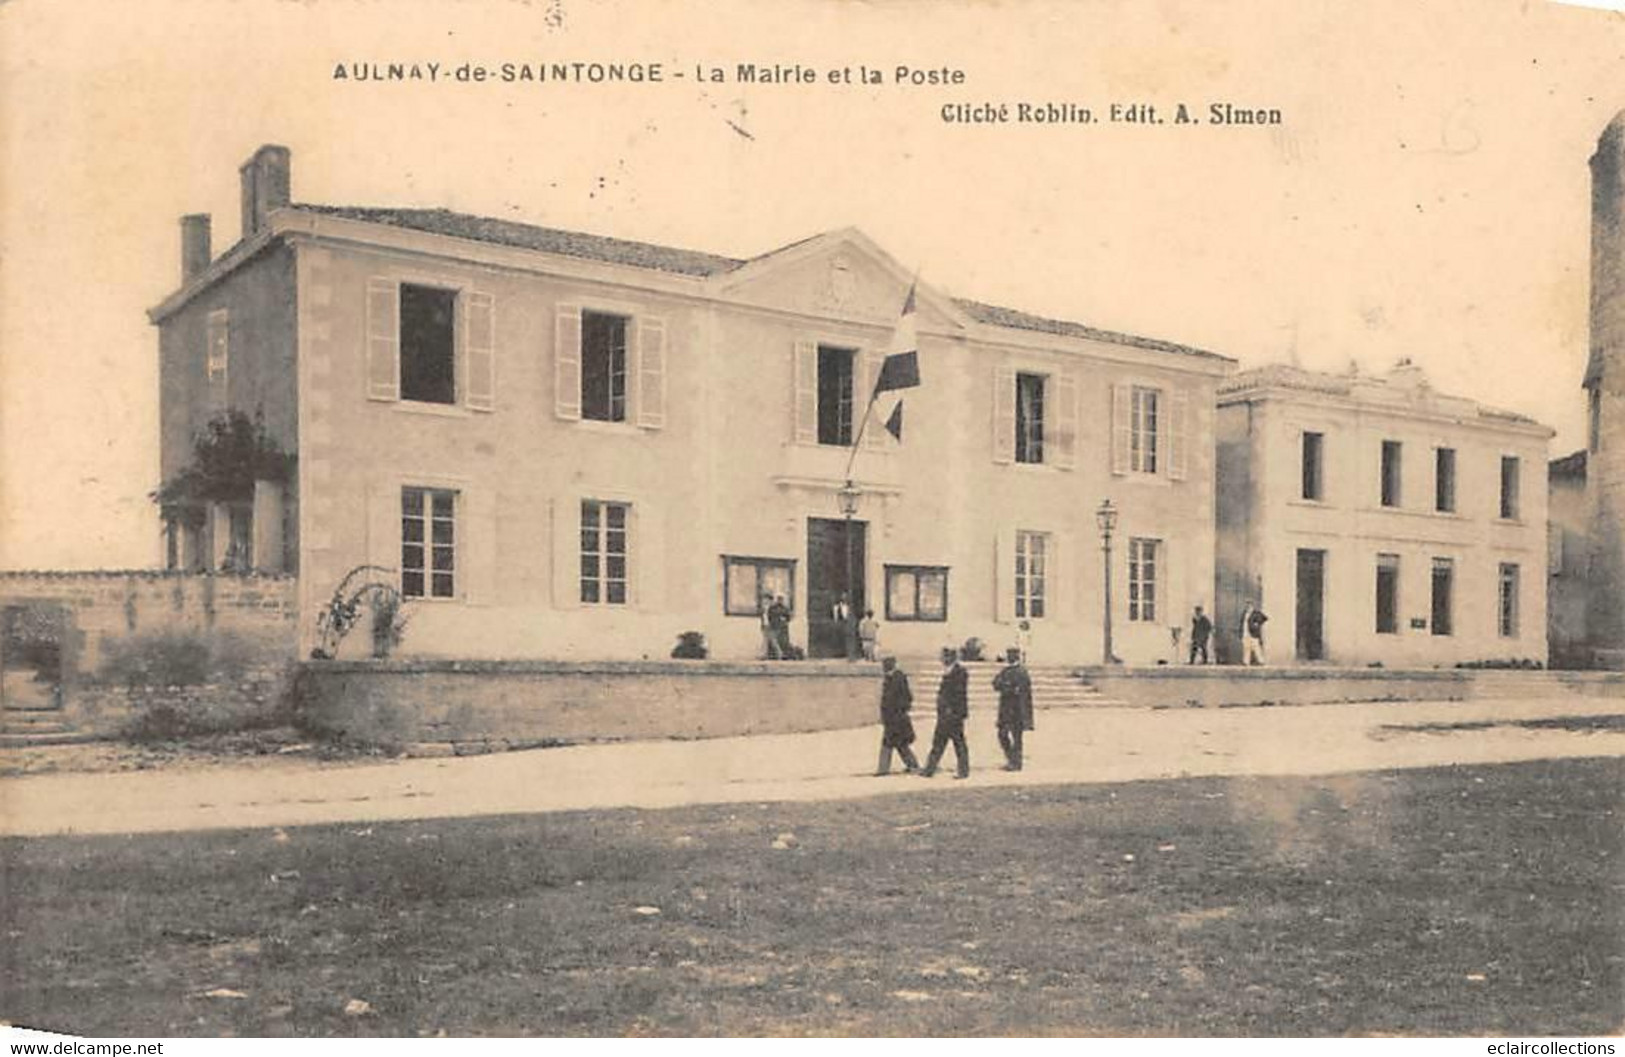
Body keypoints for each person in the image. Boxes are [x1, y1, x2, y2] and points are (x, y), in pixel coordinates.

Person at [919, 647, 970, 779]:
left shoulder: (960, 672)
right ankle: (929, 769)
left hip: (953, 714)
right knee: (939, 742)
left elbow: (959, 694)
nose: (943, 659)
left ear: (951, 658)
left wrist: (951, 710)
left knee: (957, 742)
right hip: (945, 715)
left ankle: (963, 771)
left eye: (945, 657)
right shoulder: (949, 671)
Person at [874, 656, 919, 775]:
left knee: (889, 743)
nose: (883, 667)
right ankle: (912, 764)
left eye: (886, 664)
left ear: (892, 664)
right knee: (900, 743)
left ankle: (883, 769)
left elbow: (907, 697)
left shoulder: (898, 677)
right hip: (892, 718)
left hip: (896, 717)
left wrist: (899, 711)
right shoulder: (890, 677)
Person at [992, 646, 1034, 771]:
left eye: (1012, 655)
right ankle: (1012, 759)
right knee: (1002, 735)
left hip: (1017, 710)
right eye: (1008, 655)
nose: (1009, 657)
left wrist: (1006, 686)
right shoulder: (1005, 671)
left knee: (1017, 738)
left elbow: (1021, 692)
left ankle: (1016, 763)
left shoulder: (1022, 672)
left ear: (1016, 656)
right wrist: (1007, 686)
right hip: (1005, 709)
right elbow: (995, 684)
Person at [1241, 600, 1268, 666]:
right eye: (1247, 605)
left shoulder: (1256, 613)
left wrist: (1257, 623)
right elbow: (1242, 623)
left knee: (1256, 647)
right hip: (1245, 633)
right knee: (1246, 648)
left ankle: (1261, 661)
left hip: (1253, 633)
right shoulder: (1244, 613)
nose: (1248, 606)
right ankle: (1246, 662)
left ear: (1252, 606)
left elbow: (1265, 618)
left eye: (1249, 605)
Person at [767, 595, 793, 660]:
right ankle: (778, 654)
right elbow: (769, 616)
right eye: (779, 600)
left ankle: (782, 655)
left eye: (781, 600)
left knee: (782, 642)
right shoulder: (773, 608)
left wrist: (784, 619)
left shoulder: (785, 608)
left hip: (782, 627)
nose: (780, 601)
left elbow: (789, 617)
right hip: (774, 626)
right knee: (773, 640)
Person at [832, 592, 855, 659]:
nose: (844, 599)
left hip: (846, 624)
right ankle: (837, 653)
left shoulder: (849, 607)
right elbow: (834, 616)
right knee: (838, 639)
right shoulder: (836, 607)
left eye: (845, 597)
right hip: (839, 624)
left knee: (847, 639)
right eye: (843, 597)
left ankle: (847, 653)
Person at [760, 591, 782, 660]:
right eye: (764, 599)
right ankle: (764, 655)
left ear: (770, 600)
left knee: (773, 640)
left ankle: (779, 654)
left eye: (766, 599)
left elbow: (776, 617)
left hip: (772, 626)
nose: (765, 601)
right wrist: (763, 625)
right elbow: (763, 617)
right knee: (765, 640)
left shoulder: (774, 607)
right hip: (766, 625)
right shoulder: (764, 608)